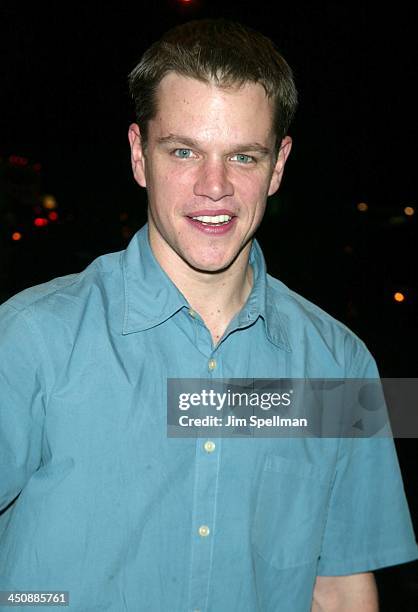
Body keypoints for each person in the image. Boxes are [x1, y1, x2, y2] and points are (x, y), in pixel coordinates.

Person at [0, 18, 416, 612]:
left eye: (243, 156)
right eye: (184, 150)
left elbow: (341, 591)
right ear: (140, 155)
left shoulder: (340, 365)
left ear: (277, 165)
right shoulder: (28, 342)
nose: (214, 186)